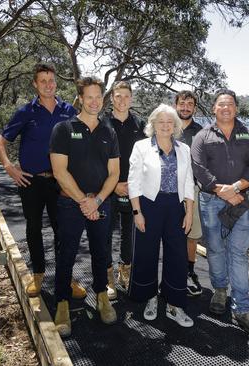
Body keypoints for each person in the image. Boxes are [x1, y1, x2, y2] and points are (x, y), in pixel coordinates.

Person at [0, 63, 87, 299]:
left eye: (51, 80)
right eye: (43, 81)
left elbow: (82, 141)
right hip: (31, 182)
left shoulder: (68, 111)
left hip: (60, 183)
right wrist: (9, 167)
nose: (48, 85)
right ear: (35, 84)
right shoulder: (26, 112)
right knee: (33, 228)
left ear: (56, 83)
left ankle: (66, 279)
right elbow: (1, 142)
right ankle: (37, 275)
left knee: (62, 230)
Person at [191, 89, 249, 337]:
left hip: (241, 203)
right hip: (210, 201)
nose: (226, 108)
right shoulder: (202, 136)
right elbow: (198, 168)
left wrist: (235, 188)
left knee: (238, 253)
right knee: (215, 249)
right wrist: (219, 190)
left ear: (236, 108)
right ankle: (220, 291)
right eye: (221, 104)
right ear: (213, 108)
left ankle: (242, 309)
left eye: (230, 104)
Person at [49, 76, 120, 337]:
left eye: (98, 97)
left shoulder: (108, 131)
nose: (94, 101)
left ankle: (102, 296)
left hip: (101, 203)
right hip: (71, 204)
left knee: (101, 252)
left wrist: (97, 201)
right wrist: (83, 201)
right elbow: (59, 172)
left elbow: (114, 173)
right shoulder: (64, 129)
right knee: (66, 253)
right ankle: (63, 304)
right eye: (88, 96)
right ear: (80, 98)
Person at [127, 104, 195, 327]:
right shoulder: (141, 146)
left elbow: (188, 182)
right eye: (161, 122)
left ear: (175, 126)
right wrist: (137, 212)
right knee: (147, 253)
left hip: (176, 206)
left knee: (177, 255)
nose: (166, 126)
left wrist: (189, 212)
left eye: (170, 122)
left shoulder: (183, 149)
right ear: (153, 124)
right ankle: (150, 297)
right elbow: (134, 181)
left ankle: (175, 304)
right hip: (149, 205)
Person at [102, 81, 146, 299]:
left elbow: (147, 159)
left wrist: (132, 185)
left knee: (129, 233)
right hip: (107, 188)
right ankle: (108, 276)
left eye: (126, 96)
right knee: (106, 233)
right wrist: (113, 184)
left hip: (133, 189)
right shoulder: (102, 123)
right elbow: (95, 157)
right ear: (112, 98)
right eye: (117, 96)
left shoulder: (140, 124)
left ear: (131, 98)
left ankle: (125, 271)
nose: (122, 100)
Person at [174, 91, 205, 297]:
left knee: (191, 235)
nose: (185, 107)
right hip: (166, 189)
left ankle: (188, 272)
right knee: (170, 233)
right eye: (182, 103)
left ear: (194, 108)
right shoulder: (167, 126)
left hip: (191, 190)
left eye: (190, 104)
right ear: (175, 105)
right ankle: (171, 273)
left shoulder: (201, 132)